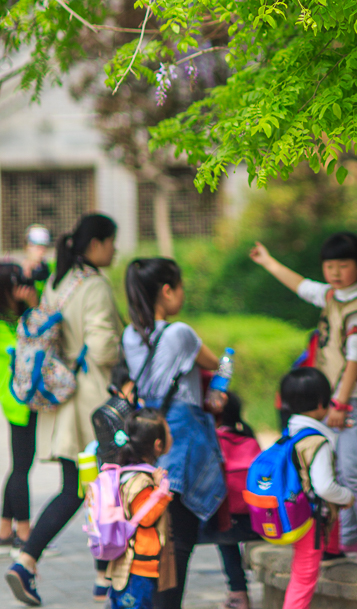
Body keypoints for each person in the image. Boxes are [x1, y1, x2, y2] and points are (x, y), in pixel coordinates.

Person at [250, 232, 357, 565]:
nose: (336, 272)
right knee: (339, 472)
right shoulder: (333, 296)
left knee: (353, 471)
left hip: (349, 403)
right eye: (330, 266)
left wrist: (340, 405)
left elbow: (356, 360)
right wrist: (268, 261)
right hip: (336, 404)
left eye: (343, 265)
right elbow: (301, 285)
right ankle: (349, 541)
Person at [6, 213, 121, 609]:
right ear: (96, 245)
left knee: (88, 490)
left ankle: (99, 582)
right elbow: (105, 348)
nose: (115, 250)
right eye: (111, 242)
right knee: (95, 490)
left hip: (64, 405)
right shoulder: (95, 287)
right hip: (91, 404)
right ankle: (29, 560)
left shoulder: (59, 281)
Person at [122, 258, 227, 609]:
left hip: (147, 440)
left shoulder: (130, 335)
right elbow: (217, 363)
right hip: (179, 438)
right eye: (179, 287)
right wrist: (222, 380)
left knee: (152, 537)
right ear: (167, 291)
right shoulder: (179, 333)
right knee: (178, 540)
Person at [279, 368, 354, 609]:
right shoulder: (317, 442)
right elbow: (324, 487)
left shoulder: (288, 433)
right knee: (303, 577)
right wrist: (347, 496)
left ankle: (332, 550)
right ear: (322, 402)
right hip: (308, 520)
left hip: (289, 510)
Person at [106, 409, 174, 609]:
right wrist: (162, 493)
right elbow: (145, 517)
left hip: (128, 564)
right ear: (157, 445)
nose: (172, 437)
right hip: (137, 568)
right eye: (168, 433)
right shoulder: (142, 481)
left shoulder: (127, 473)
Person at [0, 265, 39, 554]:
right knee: (22, 465)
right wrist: (35, 308)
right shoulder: (5, 327)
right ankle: (24, 533)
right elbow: (29, 347)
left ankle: (4, 528)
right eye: (17, 284)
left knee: (20, 464)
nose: (23, 289)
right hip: (18, 401)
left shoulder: (15, 319)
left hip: (22, 399)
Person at [210, 391, 261, 609]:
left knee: (225, 542)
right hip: (258, 520)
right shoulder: (250, 440)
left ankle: (238, 593)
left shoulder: (213, 441)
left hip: (227, 521)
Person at [20, 228, 50, 292]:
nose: (41, 251)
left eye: (43, 247)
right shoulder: (18, 272)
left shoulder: (47, 270)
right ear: (27, 247)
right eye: (38, 247)